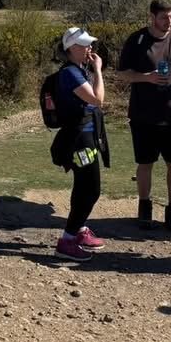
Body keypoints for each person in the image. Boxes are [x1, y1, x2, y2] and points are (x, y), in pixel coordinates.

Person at [118, 0, 171, 235]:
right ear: (152, 17)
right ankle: (145, 208)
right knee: (145, 164)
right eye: (164, 17)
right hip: (144, 115)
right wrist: (147, 77)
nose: (169, 22)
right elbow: (122, 74)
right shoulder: (137, 40)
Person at [50, 27, 108, 261]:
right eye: (85, 45)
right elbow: (97, 99)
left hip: (86, 136)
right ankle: (67, 240)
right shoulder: (70, 74)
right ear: (72, 48)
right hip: (78, 140)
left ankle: (79, 229)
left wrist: (92, 70)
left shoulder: (79, 70)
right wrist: (98, 70)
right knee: (91, 188)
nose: (90, 48)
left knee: (83, 186)